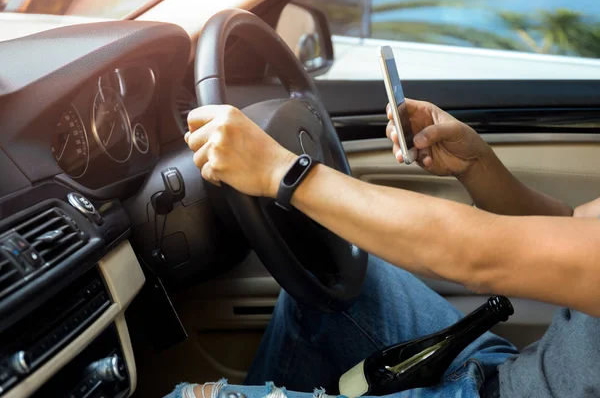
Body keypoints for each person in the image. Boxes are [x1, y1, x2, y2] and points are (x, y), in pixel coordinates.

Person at [166, 99, 600, 398]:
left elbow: (477, 255)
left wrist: (281, 171)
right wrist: (476, 165)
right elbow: (570, 227)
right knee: (328, 281)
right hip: (520, 373)